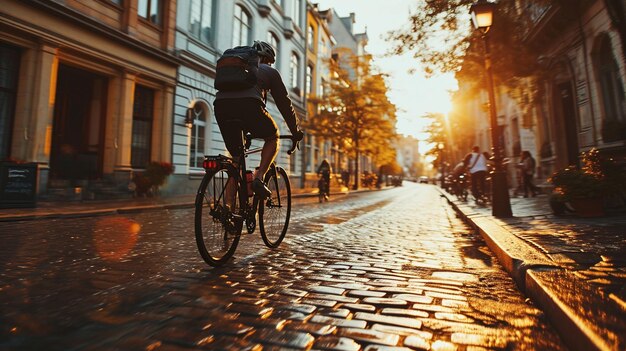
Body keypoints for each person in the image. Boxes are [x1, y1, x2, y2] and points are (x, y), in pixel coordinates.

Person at [214, 41, 304, 199]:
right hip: (249, 106)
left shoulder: (237, 69)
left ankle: (228, 211)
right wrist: (295, 131)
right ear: (266, 59)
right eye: (269, 62)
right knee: (272, 136)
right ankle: (259, 178)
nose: (269, 64)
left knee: (235, 161)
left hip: (220, 106)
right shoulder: (269, 71)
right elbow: (284, 104)